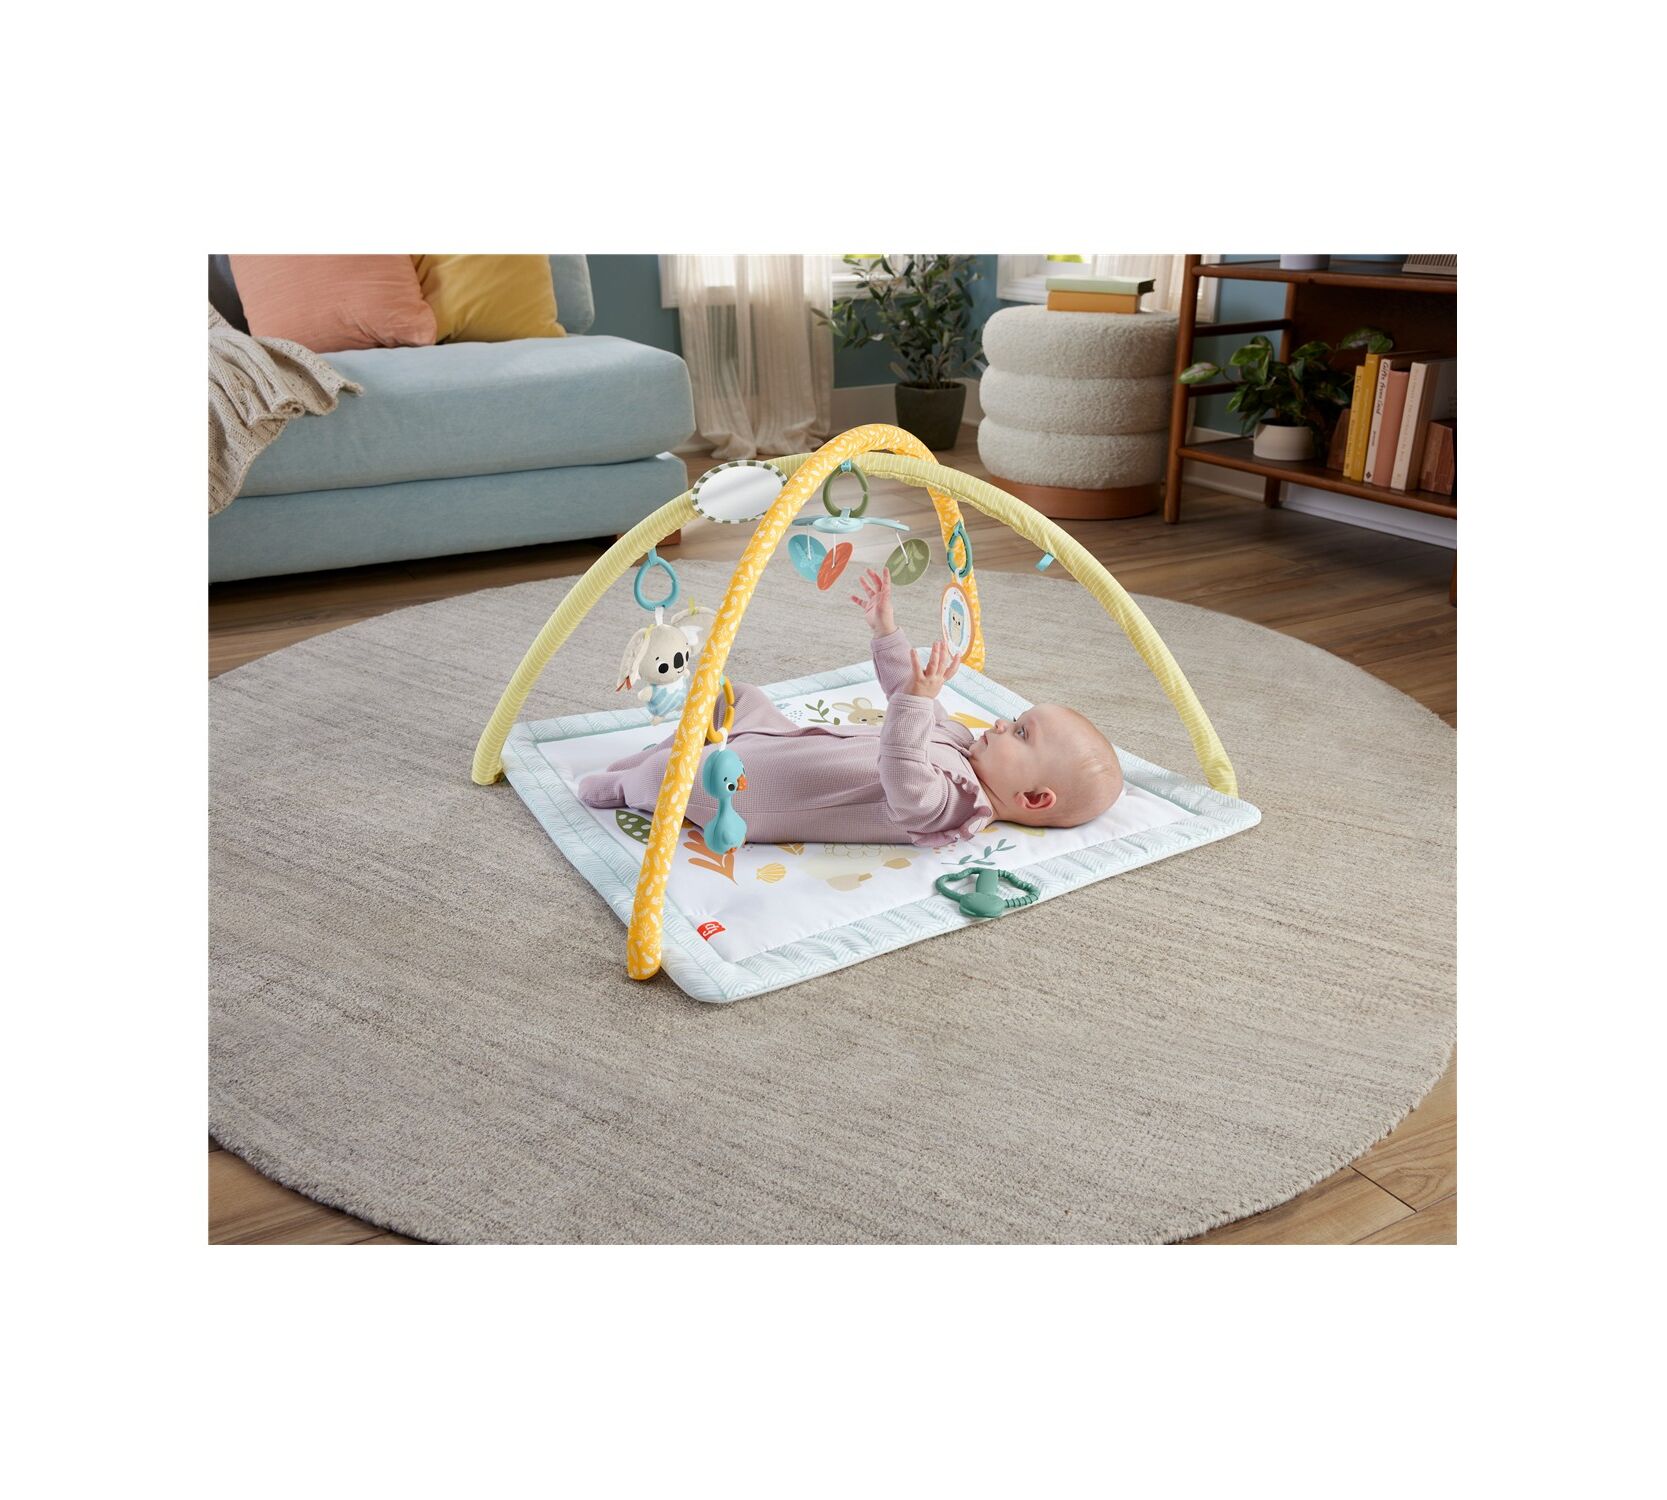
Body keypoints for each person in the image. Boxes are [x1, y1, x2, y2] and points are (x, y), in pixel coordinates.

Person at [578, 568, 1123, 847]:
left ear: (1034, 798)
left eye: (1021, 733)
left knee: (676, 777)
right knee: (742, 699)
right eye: (1017, 718)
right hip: (789, 743)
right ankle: (682, 739)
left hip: (761, 791)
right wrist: (887, 632)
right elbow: (903, 690)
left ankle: (624, 783)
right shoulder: (961, 743)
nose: (1002, 722)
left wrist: (918, 702)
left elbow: (903, 769)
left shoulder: (953, 808)